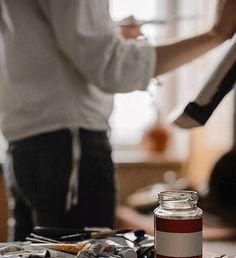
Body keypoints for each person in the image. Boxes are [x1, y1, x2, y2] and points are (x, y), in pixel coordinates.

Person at [0, 0, 235, 241]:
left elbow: (45, 45)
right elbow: (112, 68)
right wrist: (216, 34)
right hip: (68, 145)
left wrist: (106, 39)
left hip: (25, 145)